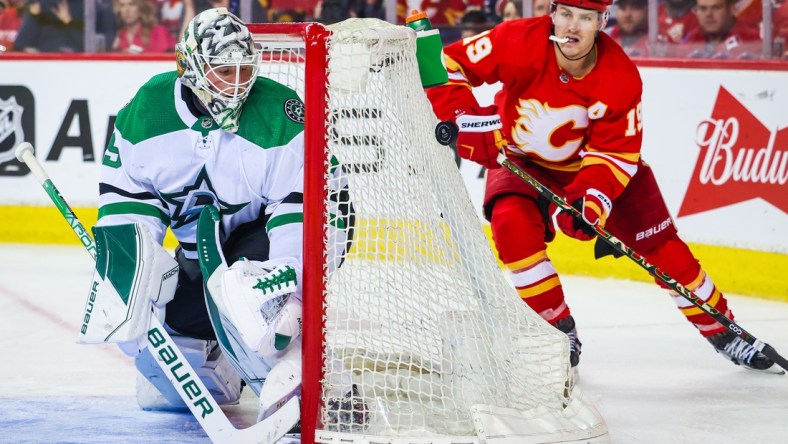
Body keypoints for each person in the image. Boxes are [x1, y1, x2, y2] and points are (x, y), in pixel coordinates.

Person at [425, 0, 780, 373]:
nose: (572, 27)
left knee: (665, 251)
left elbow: (614, 155)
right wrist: (461, 115)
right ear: (552, 14)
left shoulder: (620, 77)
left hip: (595, 168)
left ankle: (724, 331)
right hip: (522, 159)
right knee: (511, 227)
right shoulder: (516, 40)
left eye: (585, 18)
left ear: (602, 22)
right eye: (565, 14)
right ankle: (557, 331)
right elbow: (449, 64)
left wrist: (590, 201)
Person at [84, 7, 350, 425]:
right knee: (169, 384)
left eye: (246, 70)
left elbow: (309, 207)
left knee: (254, 302)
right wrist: (127, 275)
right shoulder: (148, 112)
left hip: (263, 240)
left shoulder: (279, 114)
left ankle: (302, 373)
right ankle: (221, 365)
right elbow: (129, 200)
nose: (239, 84)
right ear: (190, 68)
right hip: (199, 253)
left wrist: (290, 283)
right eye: (225, 71)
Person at [674, 0, 760, 58]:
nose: (708, 14)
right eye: (703, 9)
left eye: (716, 8)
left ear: (730, 9)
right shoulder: (690, 40)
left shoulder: (750, 39)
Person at [13, 0, 84, 52]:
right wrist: (33, 17)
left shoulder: (87, 6)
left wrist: (69, 23)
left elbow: (90, 46)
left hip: (77, 62)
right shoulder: (40, 4)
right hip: (46, 62)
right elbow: (20, 44)